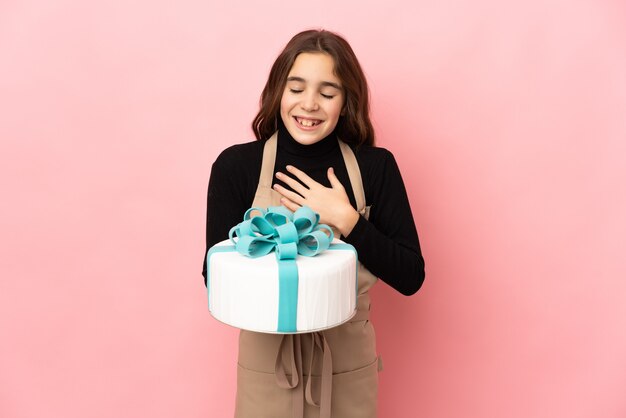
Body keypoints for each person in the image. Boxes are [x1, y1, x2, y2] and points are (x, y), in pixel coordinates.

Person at [203, 29, 425, 418]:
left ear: (346, 101)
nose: (309, 105)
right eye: (296, 88)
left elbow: (410, 276)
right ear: (278, 92)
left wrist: (347, 220)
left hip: (347, 364)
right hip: (267, 366)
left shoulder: (376, 168)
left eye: (327, 93)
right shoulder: (236, 167)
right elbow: (214, 277)